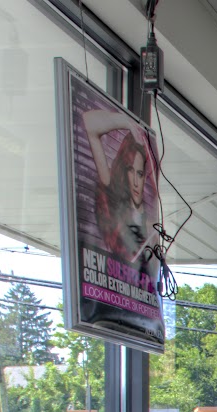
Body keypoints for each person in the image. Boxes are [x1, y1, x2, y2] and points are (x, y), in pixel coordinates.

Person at [79, 105, 162, 283]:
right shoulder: (112, 197)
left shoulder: (151, 227)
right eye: (130, 170)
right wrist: (125, 122)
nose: (135, 182)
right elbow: (90, 123)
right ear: (124, 171)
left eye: (140, 173)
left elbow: (153, 281)